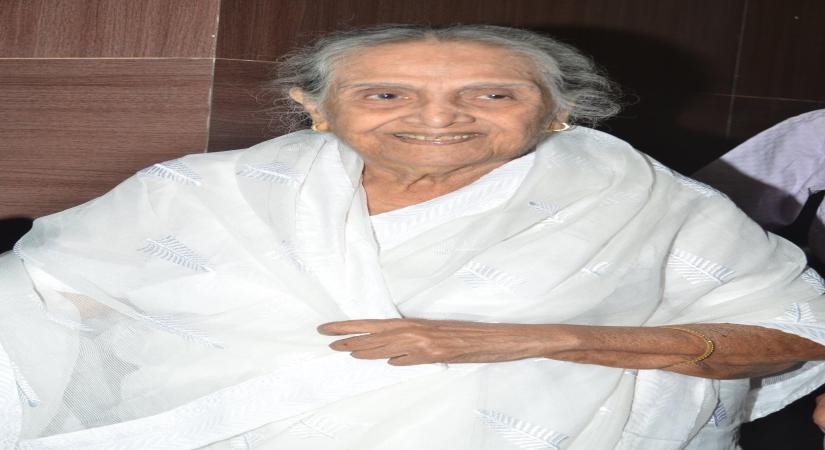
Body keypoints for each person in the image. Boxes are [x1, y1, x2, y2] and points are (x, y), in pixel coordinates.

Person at [1, 25, 824, 450]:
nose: (436, 117)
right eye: (386, 94)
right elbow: (48, 293)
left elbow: (791, 333)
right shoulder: (197, 191)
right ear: (316, 108)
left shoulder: (654, 205)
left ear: (559, 110)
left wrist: (534, 341)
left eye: (491, 94)